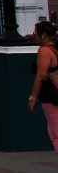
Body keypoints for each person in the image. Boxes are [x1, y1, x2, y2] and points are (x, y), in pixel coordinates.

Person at [28, 19, 58, 152]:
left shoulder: (44, 51)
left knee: (56, 133)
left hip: (52, 97)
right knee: (53, 134)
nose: (33, 36)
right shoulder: (55, 48)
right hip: (52, 96)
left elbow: (41, 75)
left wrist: (33, 98)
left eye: (35, 33)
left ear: (43, 35)